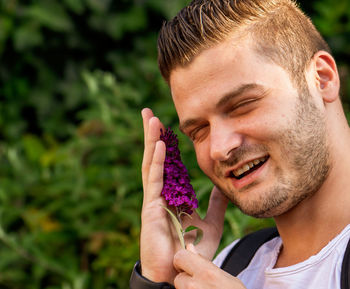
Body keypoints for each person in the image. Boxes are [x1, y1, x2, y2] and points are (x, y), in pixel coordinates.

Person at [130, 0, 350, 288]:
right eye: (199, 130)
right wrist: (160, 281)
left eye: (242, 105)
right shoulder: (231, 266)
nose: (219, 148)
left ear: (321, 78)